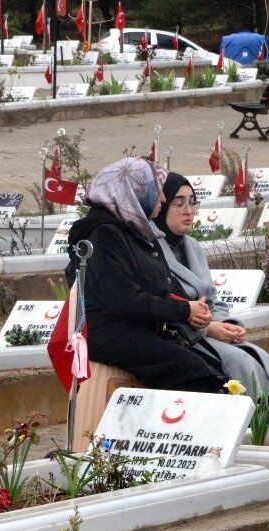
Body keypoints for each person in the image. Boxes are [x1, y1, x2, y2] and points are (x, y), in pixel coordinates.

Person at [64, 157, 227, 393]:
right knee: (194, 374)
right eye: (156, 191)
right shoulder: (105, 235)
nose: (162, 198)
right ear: (135, 193)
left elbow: (155, 285)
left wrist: (188, 308)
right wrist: (183, 311)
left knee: (212, 367)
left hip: (138, 325)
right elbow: (125, 300)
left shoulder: (130, 230)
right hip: (113, 333)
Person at [155, 171, 269, 399]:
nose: (188, 210)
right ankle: (251, 425)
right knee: (241, 363)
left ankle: (266, 424)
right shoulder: (152, 250)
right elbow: (166, 306)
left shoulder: (192, 246)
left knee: (257, 361)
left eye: (192, 203)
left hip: (209, 332)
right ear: (162, 205)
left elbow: (212, 299)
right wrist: (209, 329)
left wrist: (226, 325)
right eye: (179, 203)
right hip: (181, 340)